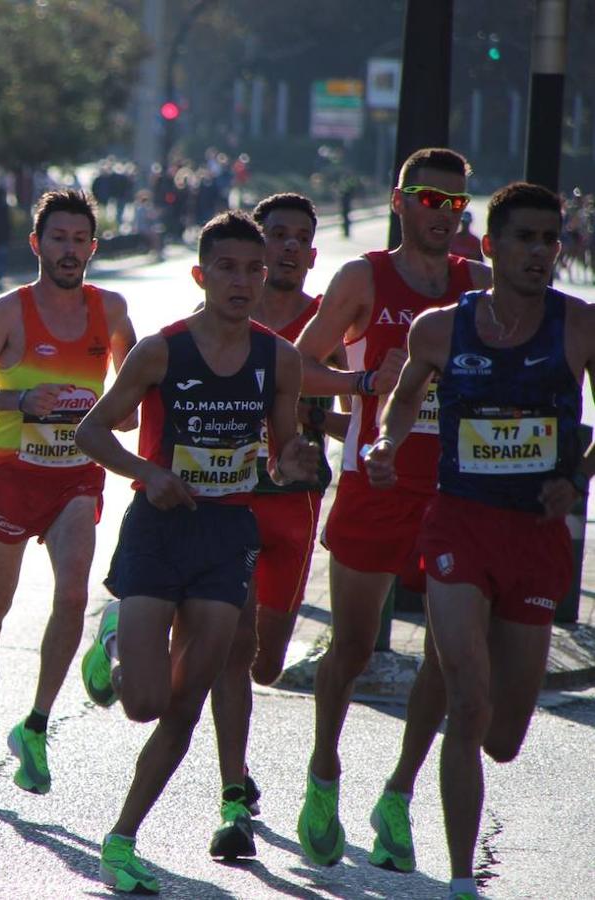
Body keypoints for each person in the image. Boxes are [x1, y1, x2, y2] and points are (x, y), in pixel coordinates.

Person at [76, 211, 321, 891]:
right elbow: (91, 432)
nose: (243, 280)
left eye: (253, 269)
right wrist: (148, 474)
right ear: (200, 275)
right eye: (227, 268)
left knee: (187, 705)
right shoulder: (160, 350)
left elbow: (277, 451)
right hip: (158, 531)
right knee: (143, 703)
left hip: (225, 538)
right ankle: (115, 634)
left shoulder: (280, 357)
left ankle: (121, 840)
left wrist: (294, 458)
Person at [363, 182, 594, 900]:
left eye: (549, 239)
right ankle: (461, 880)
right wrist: (383, 444)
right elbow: (402, 401)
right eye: (523, 238)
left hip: (533, 538)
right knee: (466, 702)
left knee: (502, 736)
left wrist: (575, 478)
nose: (538, 251)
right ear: (487, 246)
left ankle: (410, 795)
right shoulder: (436, 329)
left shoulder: (580, 327)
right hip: (457, 523)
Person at [290, 147, 490, 868]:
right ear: (399, 200)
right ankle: (322, 774)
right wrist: (362, 379)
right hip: (377, 484)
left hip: (460, 491)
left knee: (445, 654)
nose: (441, 215)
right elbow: (298, 365)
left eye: (455, 204)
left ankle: (398, 796)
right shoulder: (361, 278)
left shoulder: (480, 286)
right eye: (428, 200)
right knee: (349, 647)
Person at [0, 188, 137, 795]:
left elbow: (134, 392)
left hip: (77, 478)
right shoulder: (8, 312)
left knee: (73, 594)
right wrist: (19, 400)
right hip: (10, 475)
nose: (70, 250)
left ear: (93, 247)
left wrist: (120, 414)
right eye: (58, 238)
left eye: (81, 240)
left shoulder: (110, 311)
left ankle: (35, 725)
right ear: (37, 243)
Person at [205, 193, 350, 860]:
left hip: (294, 503)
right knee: (228, 650)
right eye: (278, 235)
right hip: (230, 501)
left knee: (264, 663)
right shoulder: (221, 313)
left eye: (300, 238)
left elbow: (350, 407)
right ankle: (233, 791)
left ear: (312, 253)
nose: (289, 247)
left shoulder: (328, 322)